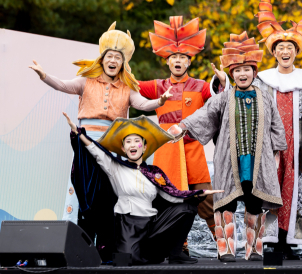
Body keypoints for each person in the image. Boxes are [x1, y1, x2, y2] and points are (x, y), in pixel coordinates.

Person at [29, 22, 170, 260]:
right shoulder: (86, 82)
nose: (113, 60)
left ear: (123, 62)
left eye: (118, 56)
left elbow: (143, 104)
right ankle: (72, 244)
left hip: (112, 146)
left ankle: (107, 248)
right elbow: (63, 85)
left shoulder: (126, 89)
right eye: (110, 55)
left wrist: (160, 102)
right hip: (85, 142)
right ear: (102, 59)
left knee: (109, 195)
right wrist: (44, 76)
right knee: (79, 191)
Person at [169, 31, 286, 261]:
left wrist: (277, 153)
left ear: (254, 73)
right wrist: (182, 126)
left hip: (257, 161)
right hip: (230, 160)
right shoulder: (224, 98)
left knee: (254, 203)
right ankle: (226, 249)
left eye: (247, 70)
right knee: (227, 204)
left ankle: (254, 249)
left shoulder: (266, 97)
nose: (242, 74)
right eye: (238, 71)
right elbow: (204, 114)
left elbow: (276, 126)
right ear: (232, 74)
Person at [64, 113, 219, 265]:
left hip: (152, 226)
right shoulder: (116, 168)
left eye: (137, 141)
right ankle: (145, 254)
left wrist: (200, 193)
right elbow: (97, 152)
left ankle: (176, 253)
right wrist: (79, 134)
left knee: (188, 206)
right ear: (123, 149)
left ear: (144, 147)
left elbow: (173, 196)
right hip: (128, 227)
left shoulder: (154, 172)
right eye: (128, 142)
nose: (133, 145)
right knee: (128, 260)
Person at [249, 0, 302, 256]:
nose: (285, 52)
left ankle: (287, 241)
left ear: (296, 52)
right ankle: (269, 241)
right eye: (280, 48)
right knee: (269, 193)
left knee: (295, 192)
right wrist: (221, 84)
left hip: (299, 148)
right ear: (273, 52)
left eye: (290, 48)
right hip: (269, 148)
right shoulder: (261, 81)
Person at [139, 16, 221, 240]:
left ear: (189, 62)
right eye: (173, 57)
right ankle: (177, 245)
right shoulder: (157, 87)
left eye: (182, 57)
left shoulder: (202, 86)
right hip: (166, 152)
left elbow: (220, 98)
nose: (177, 60)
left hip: (193, 149)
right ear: (167, 62)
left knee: (206, 198)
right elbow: (129, 84)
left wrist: (222, 81)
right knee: (168, 199)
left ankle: (223, 242)